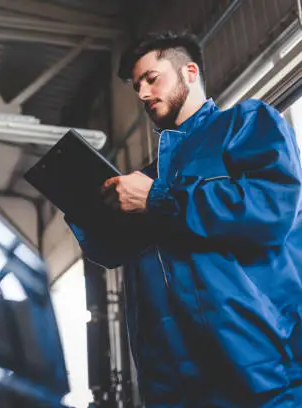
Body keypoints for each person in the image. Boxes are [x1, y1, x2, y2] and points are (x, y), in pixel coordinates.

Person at [68, 31, 302, 407]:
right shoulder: (150, 177)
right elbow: (113, 252)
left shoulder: (245, 124)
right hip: (175, 387)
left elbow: (272, 208)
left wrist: (158, 199)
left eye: (151, 79)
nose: (143, 94)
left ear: (189, 72)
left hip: (260, 376)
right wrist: (83, 204)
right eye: (136, 87)